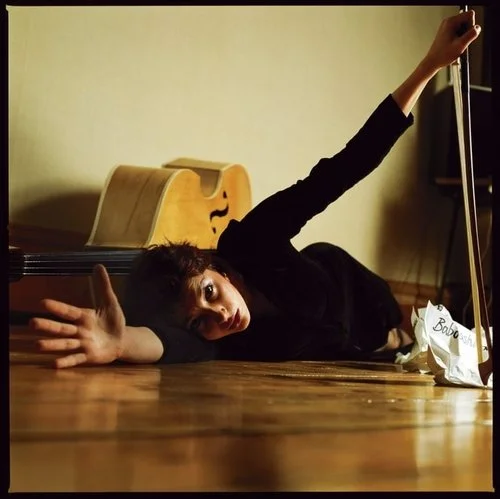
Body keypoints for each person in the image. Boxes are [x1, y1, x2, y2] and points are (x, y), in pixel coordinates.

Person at [30, 10, 481, 369]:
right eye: (199, 321)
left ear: (216, 269)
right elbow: (170, 344)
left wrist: (430, 64)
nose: (219, 315)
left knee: (417, 336)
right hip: (358, 354)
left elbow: (343, 168)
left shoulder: (252, 239)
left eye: (209, 292)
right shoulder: (223, 340)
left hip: (360, 294)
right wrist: (121, 342)